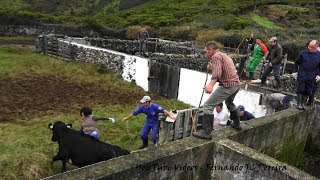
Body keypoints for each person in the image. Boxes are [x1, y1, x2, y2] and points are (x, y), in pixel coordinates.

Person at [192, 42, 242, 140]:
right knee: (229, 103)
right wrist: (212, 68)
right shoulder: (223, 55)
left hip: (228, 86)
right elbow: (223, 71)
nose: (205, 53)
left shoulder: (215, 56)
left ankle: (206, 133)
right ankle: (237, 124)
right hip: (236, 85)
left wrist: (210, 85)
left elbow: (218, 73)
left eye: (206, 51)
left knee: (208, 106)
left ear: (211, 50)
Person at [292, 40, 320, 110]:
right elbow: (296, 62)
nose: (309, 48)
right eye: (309, 46)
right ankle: (299, 104)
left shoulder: (319, 55)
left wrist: (319, 75)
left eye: (311, 47)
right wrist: (294, 72)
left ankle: (303, 103)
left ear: (316, 47)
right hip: (302, 73)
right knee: (300, 88)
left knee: (308, 90)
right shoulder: (303, 53)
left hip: (312, 75)